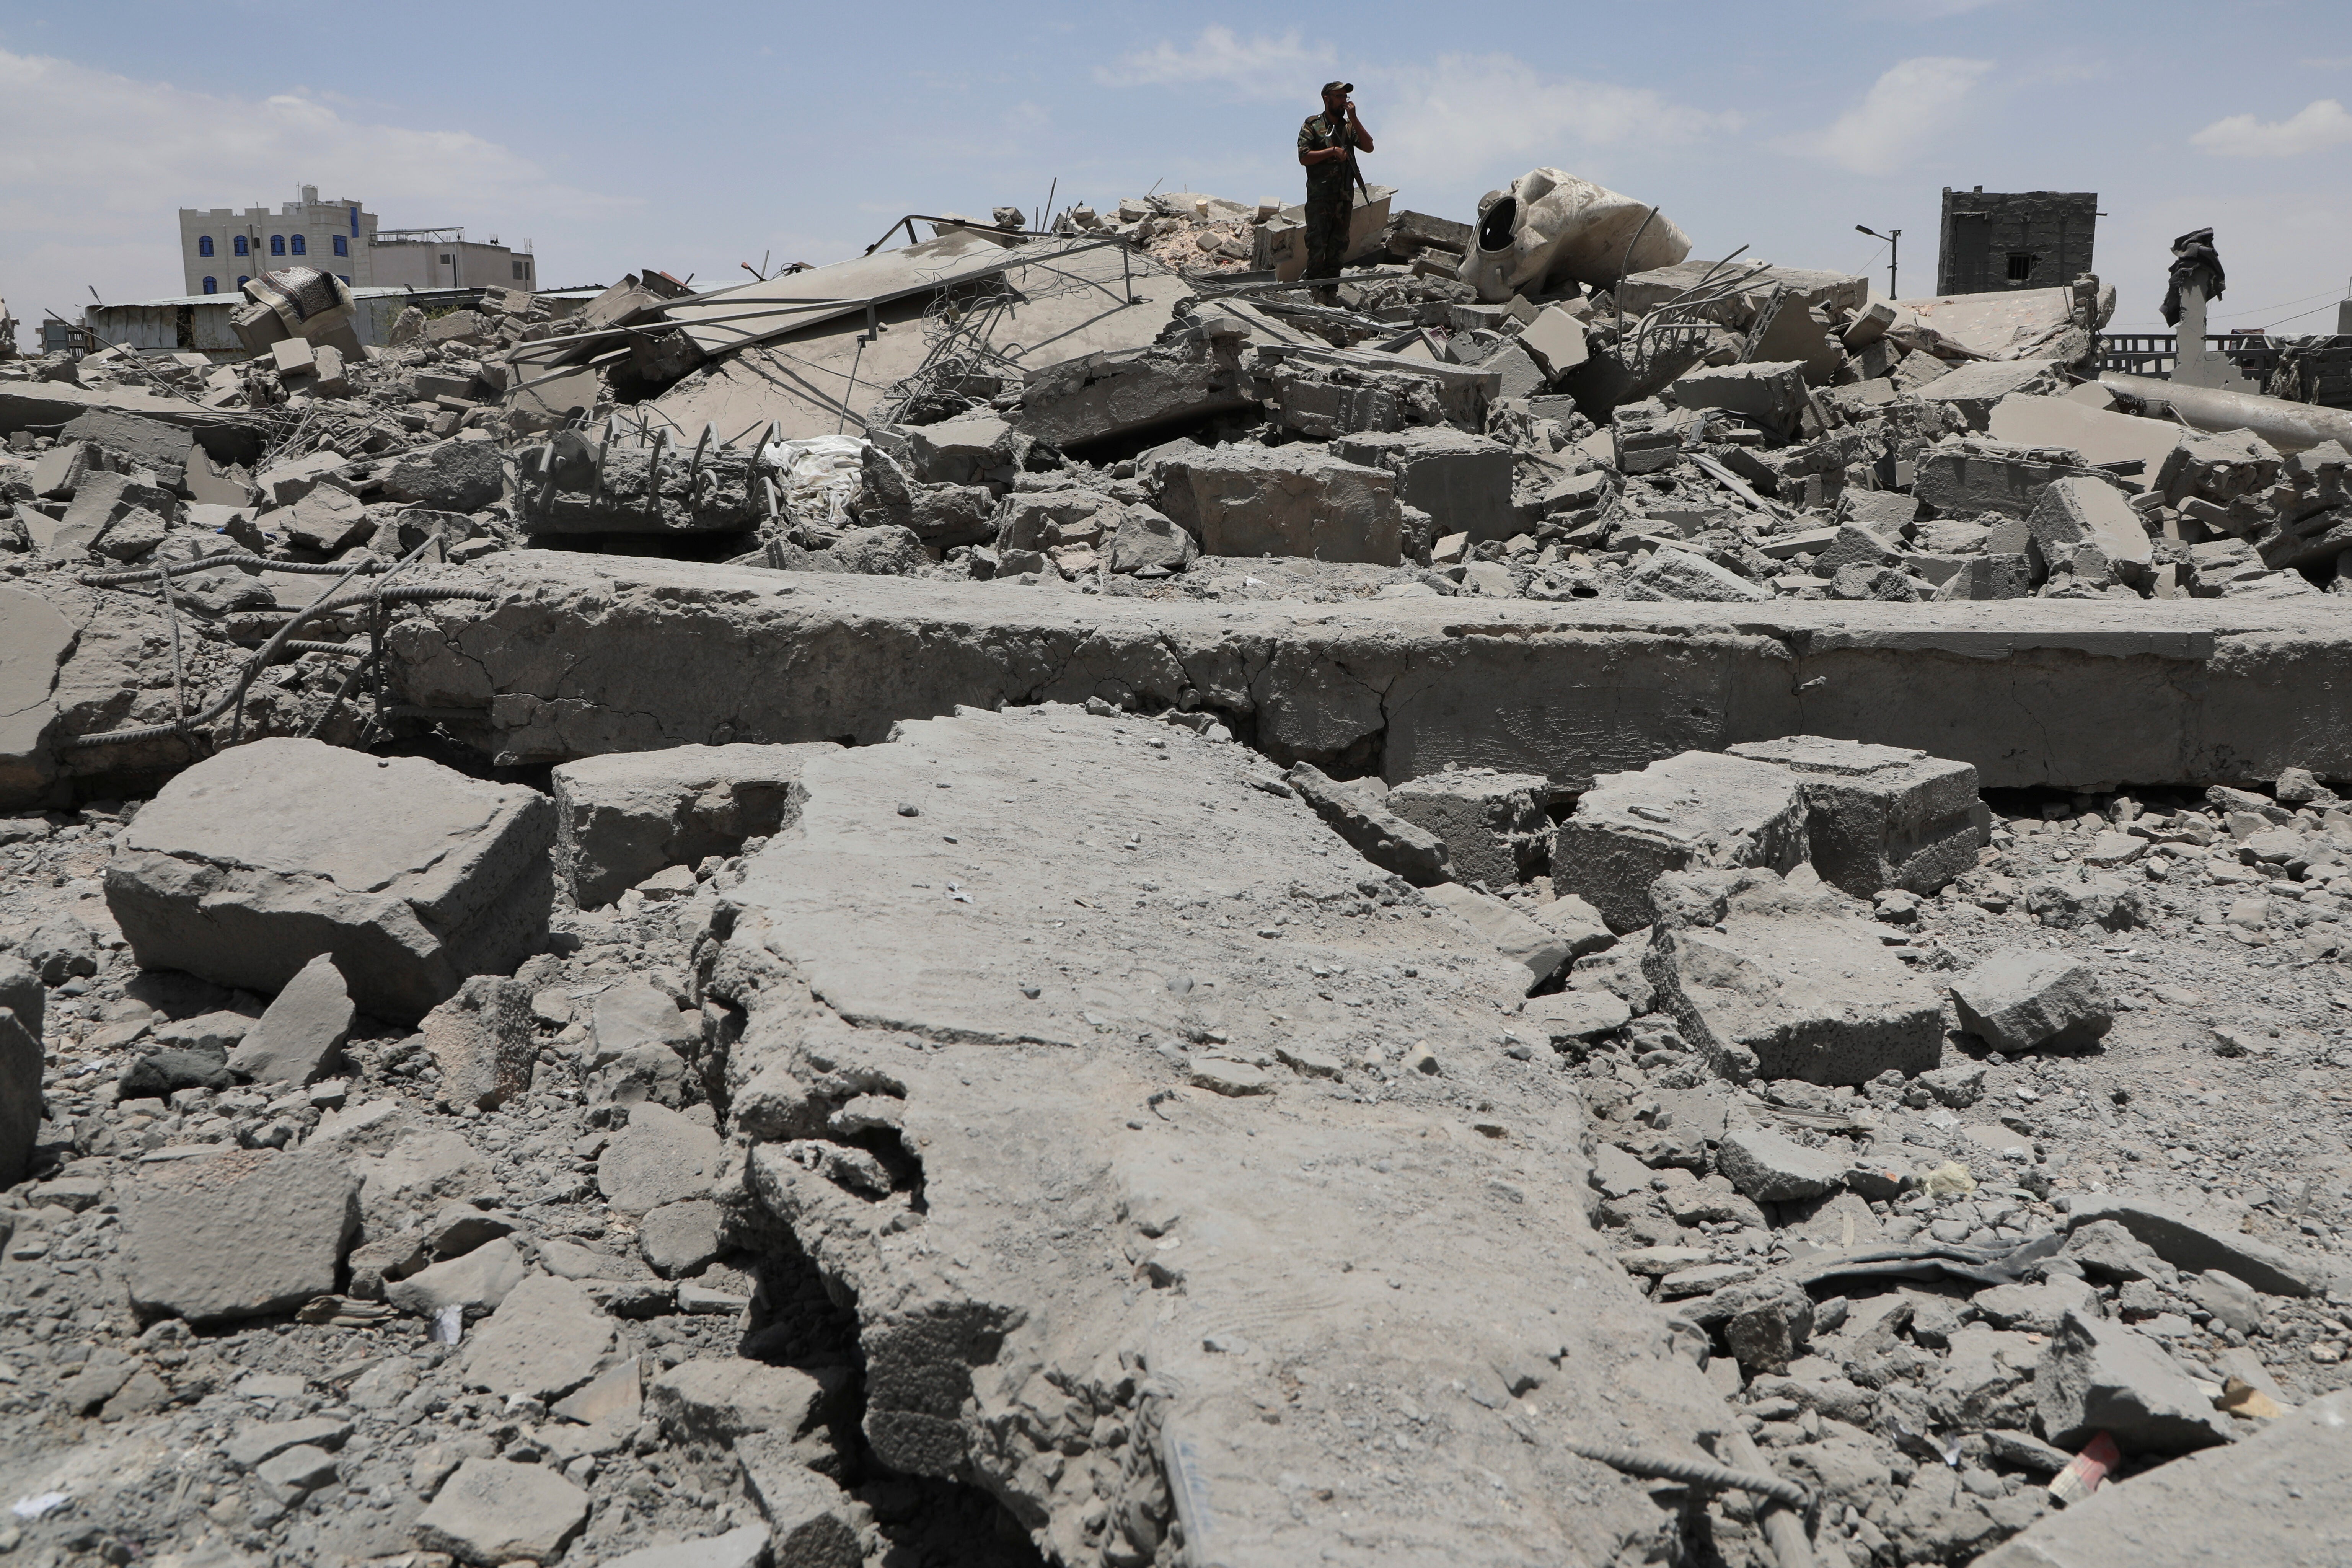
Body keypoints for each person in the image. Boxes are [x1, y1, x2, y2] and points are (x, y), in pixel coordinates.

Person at [1297, 81, 1373, 303]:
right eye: (1339, 96)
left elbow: (1369, 146)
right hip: (1320, 199)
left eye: (1345, 97)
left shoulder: (1348, 128)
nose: (1344, 101)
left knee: (1338, 248)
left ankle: (1330, 295)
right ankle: (1312, 294)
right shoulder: (1313, 125)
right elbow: (1304, 157)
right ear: (1326, 98)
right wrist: (1331, 152)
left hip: (1344, 199)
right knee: (1317, 246)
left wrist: (1355, 119)